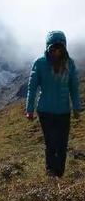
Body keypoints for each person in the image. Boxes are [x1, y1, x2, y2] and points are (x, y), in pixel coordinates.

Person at [25, 30, 81, 178]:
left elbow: (74, 88)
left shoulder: (70, 64)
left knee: (62, 145)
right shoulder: (40, 63)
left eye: (59, 48)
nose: (56, 52)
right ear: (48, 48)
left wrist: (77, 108)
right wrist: (29, 110)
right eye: (53, 48)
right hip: (45, 111)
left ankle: (59, 174)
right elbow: (32, 88)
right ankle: (51, 174)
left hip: (64, 112)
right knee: (51, 144)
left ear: (64, 47)